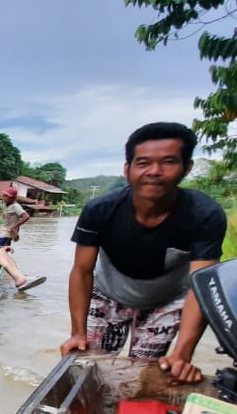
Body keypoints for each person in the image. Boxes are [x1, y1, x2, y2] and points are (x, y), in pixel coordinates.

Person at [59, 122, 227, 384]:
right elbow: (82, 271)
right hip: (108, 294)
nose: (155, 172)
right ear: (128, 170)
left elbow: (201, 285)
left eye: (168, 162)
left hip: (167, 300)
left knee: (139, 374)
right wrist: (77, 333)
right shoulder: (99, 210)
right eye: (143, 163)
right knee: (88, 366)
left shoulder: (204, 214)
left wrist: (183, 355)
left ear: (187, 168)